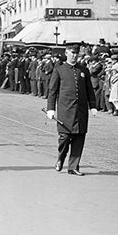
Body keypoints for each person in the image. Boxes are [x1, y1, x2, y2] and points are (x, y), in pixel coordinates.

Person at [46, 41, 98, 175]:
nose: (74, 56)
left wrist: (93, 106)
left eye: (77, 53)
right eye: (72, 53)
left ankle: (73, 166)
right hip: (65, 110)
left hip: (80, 110)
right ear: (66, 53)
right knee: (64, 137)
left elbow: (89, 90)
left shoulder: (83, 70)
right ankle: (61, 158)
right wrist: (51, 109)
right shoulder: (59, 69)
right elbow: (52, 91)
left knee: (79, 137)